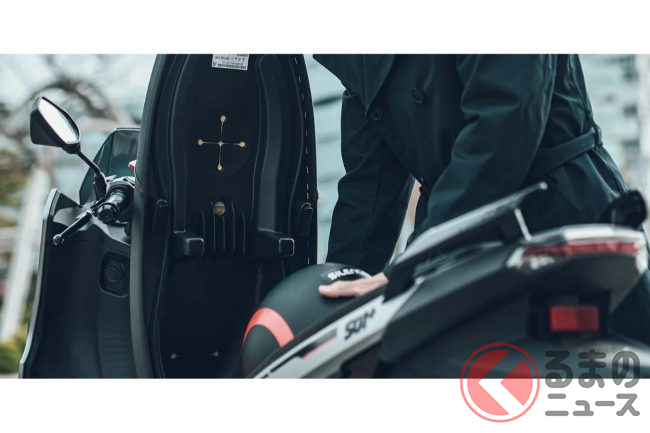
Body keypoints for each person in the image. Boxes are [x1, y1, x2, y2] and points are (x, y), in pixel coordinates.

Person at [314, 55, 650, 342]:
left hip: (559, 215)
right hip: (457, 245)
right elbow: (368, 188)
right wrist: (332, 298)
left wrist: (414, 263)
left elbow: (505, 123)